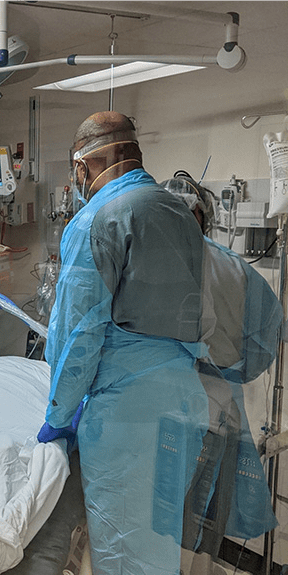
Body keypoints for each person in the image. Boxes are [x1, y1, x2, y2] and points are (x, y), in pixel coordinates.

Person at [36, 112, 281, 574]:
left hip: (128, 416)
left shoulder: (98, 220)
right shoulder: (177, 213)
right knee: (159, 540)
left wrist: (58, 415)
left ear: (83, 167)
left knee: (124, 550)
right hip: (182, 403)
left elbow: (78, 332)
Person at [161, 173, 280, 564]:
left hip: (161, 409)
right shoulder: (235, 270)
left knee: (163, 515)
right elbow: (264, 343)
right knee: (202, 518)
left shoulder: (147, 266)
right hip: (215, 409)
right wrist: (226, 374)